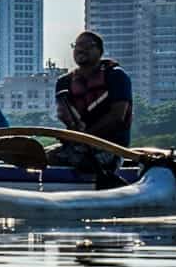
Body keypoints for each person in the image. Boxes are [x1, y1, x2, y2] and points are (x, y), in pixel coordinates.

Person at [51, 30, 132, 183]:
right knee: (43, 156)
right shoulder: (64, 82)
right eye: (77, 46)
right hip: (76, 146)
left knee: (77, 160)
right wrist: (74, 137)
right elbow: (64, 116)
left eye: (87, 45)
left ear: (100, 51)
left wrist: (86, 137)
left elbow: (117, 117)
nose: (81, 49)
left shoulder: (115, 76)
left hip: (110, 147)